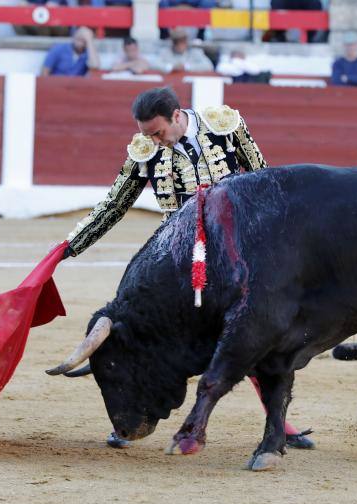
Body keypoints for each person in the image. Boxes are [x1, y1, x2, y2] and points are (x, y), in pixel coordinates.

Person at [62, 86, 316, 451]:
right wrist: (72, 245)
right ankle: (131, 419)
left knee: (252, 335)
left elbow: (265, 180)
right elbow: (115, 205)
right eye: (146, 133)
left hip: (238, 256)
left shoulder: (226, 126)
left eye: (157, 132)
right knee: (148, 338)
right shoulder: (144, 150)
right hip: (183, 262)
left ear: (177, 116)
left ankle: (280, 423)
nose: (152, 140)